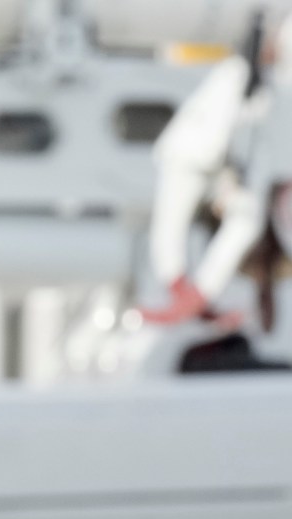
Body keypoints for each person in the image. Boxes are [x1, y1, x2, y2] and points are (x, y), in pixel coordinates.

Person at [144, 15, 292, 324]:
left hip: (222, 164)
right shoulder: (240, 76)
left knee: (245, 221)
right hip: (190, 157)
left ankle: (196, 296)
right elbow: (227, 127)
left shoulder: (261, 83)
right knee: (171, 225)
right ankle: (184, 294)